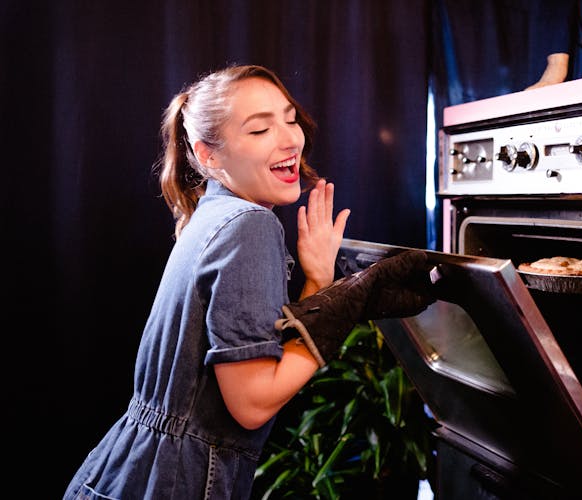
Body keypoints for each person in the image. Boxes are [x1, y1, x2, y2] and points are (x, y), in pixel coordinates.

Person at [64, 64, 435, 499]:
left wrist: (319, 282)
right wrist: (345, 304)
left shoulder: (212, 214)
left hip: (123, 474)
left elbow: (264, 376)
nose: (290, 138)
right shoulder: (249, 224)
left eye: (290, 119)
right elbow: (253, 403)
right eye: (260, 130)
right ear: (208, 155)